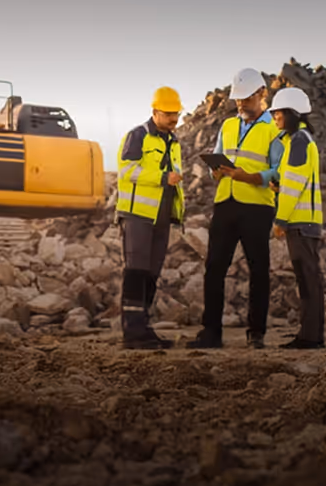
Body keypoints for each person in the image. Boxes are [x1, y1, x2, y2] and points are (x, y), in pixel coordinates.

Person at [190, 68, 282, 349]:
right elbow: (216, 165)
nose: (240, 104)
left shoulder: (274, 129)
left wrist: (253, 177)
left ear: (262, 94)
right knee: (215, 267)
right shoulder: (228, 126)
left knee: (258, 270)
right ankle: (211, 333)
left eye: (246, 98)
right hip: (225, 204)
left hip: (257, 207)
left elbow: (279, 172)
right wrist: (215, 173)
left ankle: (257, 334)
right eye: (237, 99)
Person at [115, 86, 185, 349]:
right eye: (168, 114)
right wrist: (161, 178)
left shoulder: (174, 141)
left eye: (176, 114)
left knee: (151, 273)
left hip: (162, 217)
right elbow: (127, 170)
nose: (174, 119)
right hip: (138, 215)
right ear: (155, 112)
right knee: (136, 271)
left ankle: (143, 328)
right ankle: (132, 333)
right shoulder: (138, 136)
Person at [269, 87, 325, 349]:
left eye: (278, 112)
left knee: (308, 279)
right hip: (302, 222)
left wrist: (280, 220)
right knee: (306, 279)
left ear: (292, 113)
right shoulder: (297, 140)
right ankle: (309, 335)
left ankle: (311, 337)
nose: (275, 117)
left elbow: (295, 185)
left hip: (302, 223)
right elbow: (291, 182)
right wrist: (278, 186)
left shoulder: (300, 140)